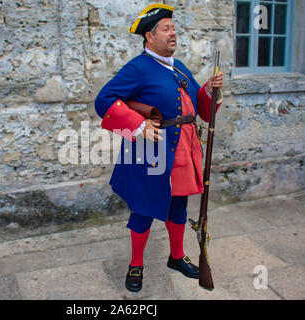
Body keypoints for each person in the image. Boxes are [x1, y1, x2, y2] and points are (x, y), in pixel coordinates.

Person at [95, 4, 223, 292]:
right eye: (166, 29)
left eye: (174, 28)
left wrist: (209, 90)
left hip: (182, 152)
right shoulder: (137, 68)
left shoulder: (179, 67)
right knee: (143, 209)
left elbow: (199, 111)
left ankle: (176, 257)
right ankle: (136, 265)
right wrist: (138, 126)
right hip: (150, 154)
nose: (173, 33)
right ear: (149, 37)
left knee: (177, 205)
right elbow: (104, 100)